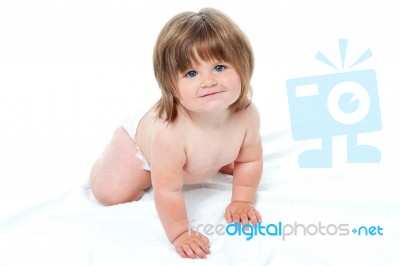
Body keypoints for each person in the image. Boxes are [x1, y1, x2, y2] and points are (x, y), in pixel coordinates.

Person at [89, 7, 263, 259]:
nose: (208, 81)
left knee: (234, 163)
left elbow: (250, 159)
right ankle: (107, 161)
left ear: (243, 65)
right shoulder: (170, 132)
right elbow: (168, 191)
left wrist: (242, 200)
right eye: (192, 73)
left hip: (192, 151)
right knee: (111, 194)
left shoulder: (247, 114)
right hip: (140, 140)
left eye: (219, 67)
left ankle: (209, 158)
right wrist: (180, 232)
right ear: (170, 84)